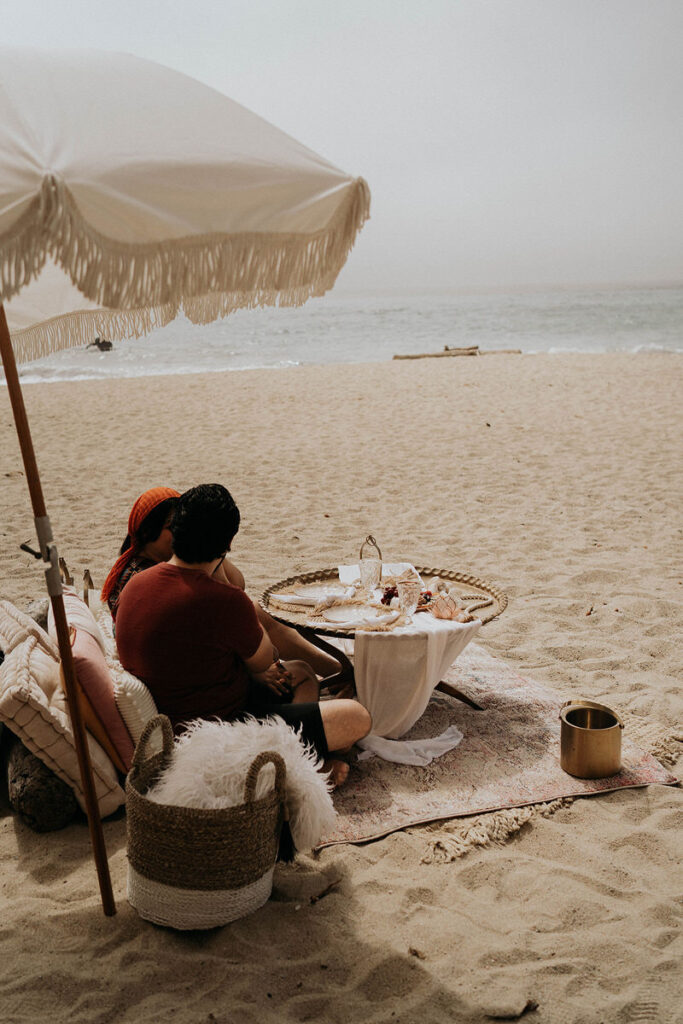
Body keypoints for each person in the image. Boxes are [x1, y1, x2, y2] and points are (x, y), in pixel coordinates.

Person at [115, 484, 371, 785]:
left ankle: (305, 757)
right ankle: (300, 772)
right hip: (223, 727)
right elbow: (267, 658)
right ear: (227, 545)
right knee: (356, 717)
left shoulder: (135, 585)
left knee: (301, 671)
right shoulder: (221, 599)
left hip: (180, 714)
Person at [102, 486, 343, 682]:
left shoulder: (171, 566)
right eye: (171, 527)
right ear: (147, 532)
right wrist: (258, 673)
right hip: (189, 668)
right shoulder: (139, 577)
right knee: (300, 674)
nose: (178, 533)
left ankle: (337, 669)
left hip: (201, 647)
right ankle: (338, 672)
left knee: (256, 611)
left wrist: (213, 552)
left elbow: (237, 587)